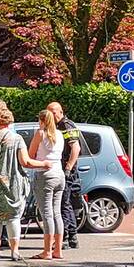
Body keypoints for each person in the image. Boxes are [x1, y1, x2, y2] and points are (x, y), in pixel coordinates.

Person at [0, 107, 46, 261]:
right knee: (13, 217)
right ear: (11, 121)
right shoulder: (17, 139)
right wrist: (44, 163)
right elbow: (25, 161)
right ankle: (14, 251)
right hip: (12, 183)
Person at [29, 109, 66, 260]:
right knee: (56, 212)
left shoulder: (40, 133)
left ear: (42, 120)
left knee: (46, 213)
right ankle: (58, 249)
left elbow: (30, 155)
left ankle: (47, 251)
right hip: (59, 174)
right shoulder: (60, 134)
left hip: (44, 174)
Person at [47, 101, 82, 249]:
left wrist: (68, 168)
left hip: (66, 171)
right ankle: (72, 237)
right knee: (65, 203)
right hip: (61, 170)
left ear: (60, 112)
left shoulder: (66, 125)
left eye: (53, 113)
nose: (51, 115)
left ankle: (67, 237)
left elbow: (76, 148)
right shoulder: (56, 126)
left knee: (63, 204)